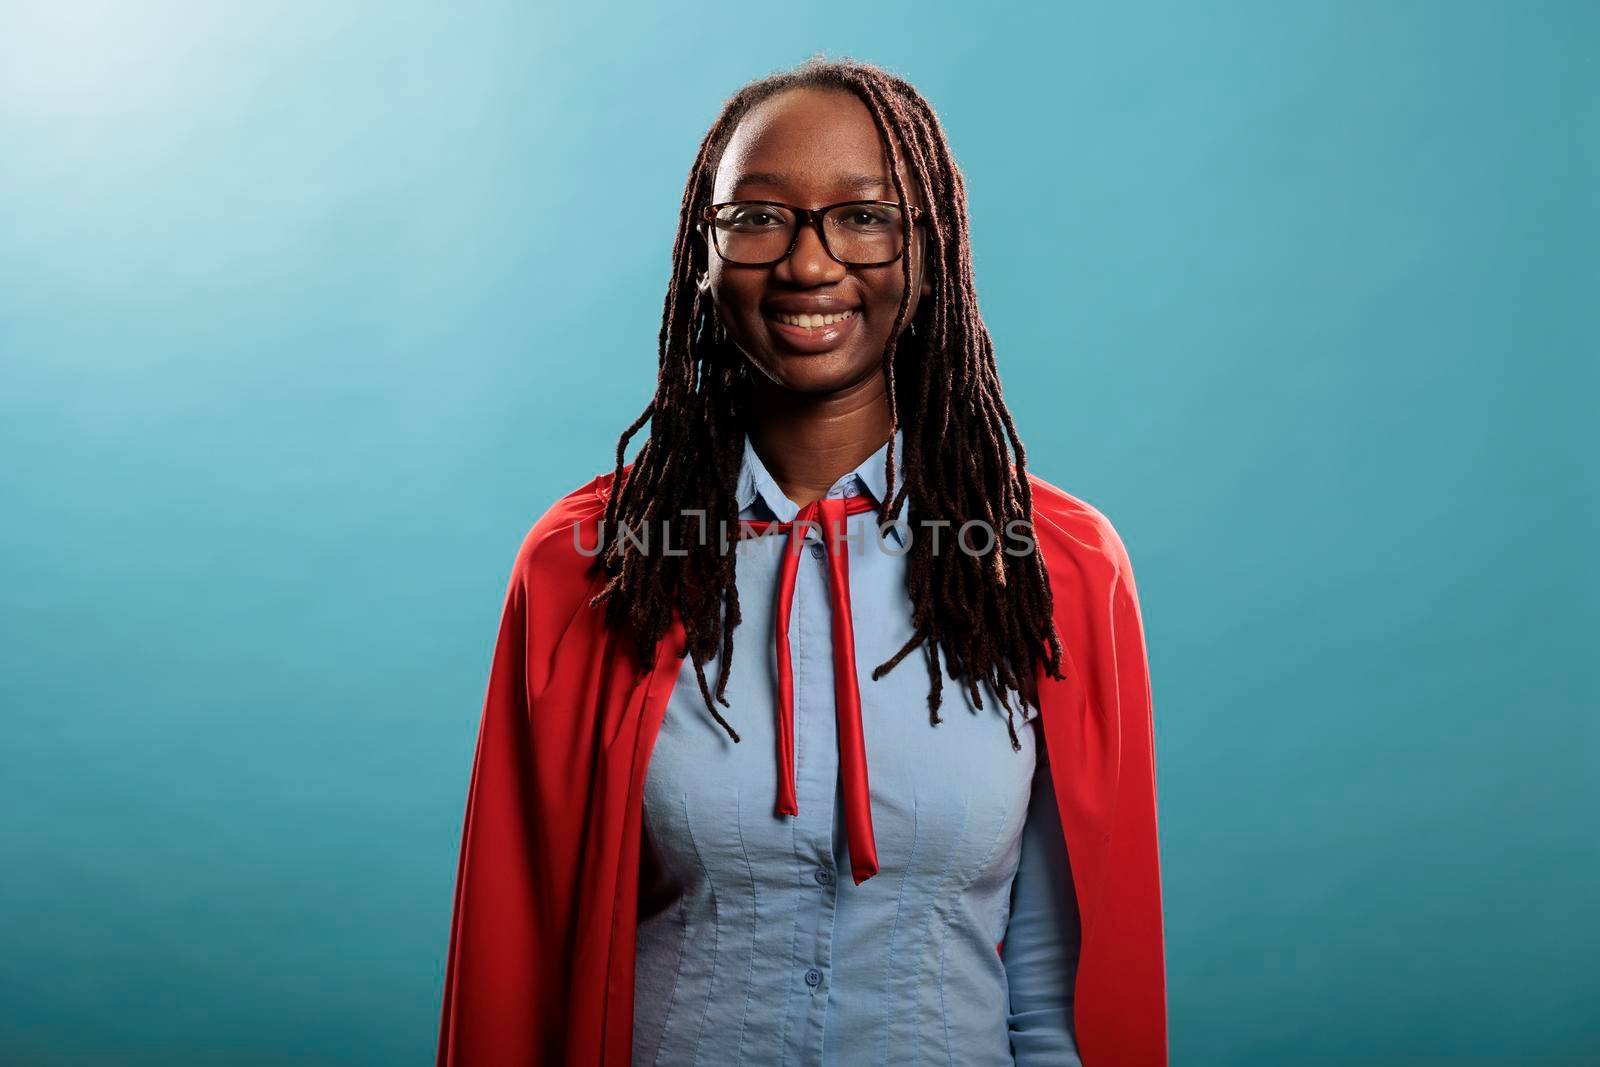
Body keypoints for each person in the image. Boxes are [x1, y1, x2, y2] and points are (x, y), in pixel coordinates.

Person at [437, 57, 1167, 1066]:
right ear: (703, 251)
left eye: (864, 216)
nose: (809, 265)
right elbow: (516, 970)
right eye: (757, 217)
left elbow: (1055, 989)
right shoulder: (589, 568)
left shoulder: (1054, 567)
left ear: (930, 253)